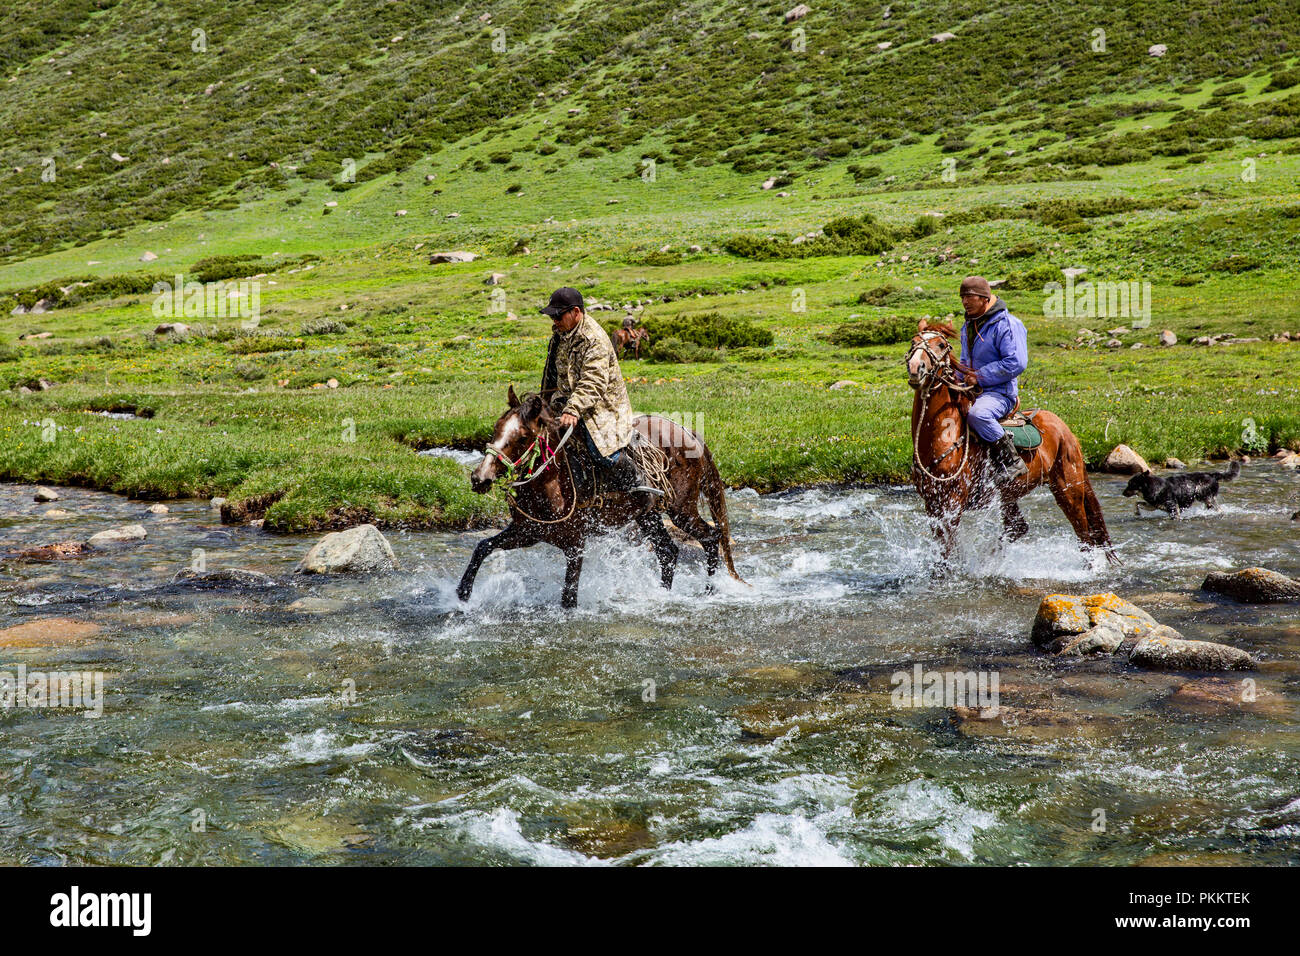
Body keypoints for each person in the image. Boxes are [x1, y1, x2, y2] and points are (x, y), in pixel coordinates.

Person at [539, 287, 662, 497]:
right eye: (552, 315)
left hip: (602, 406)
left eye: (558, 315)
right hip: (568, 402)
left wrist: (574, 409)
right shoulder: (560, 335)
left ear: (576, 312)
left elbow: (593, 381)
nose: (554, 320)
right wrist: (542, 403)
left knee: (602, 453)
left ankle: (638, 486)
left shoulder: (593, 339)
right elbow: (551, 373)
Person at [954, 276, 1029, 482]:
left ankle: (1012, 460)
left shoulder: (1008, 324)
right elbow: (964, 361)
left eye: (969, 297)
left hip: (1000, 393)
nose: (964, 302)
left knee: (977, 415)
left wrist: (979, 377)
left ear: (985, 298)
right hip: (973, 389)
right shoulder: (969, 325)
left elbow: (1016, 362)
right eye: (962, 297)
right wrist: (955, 378)